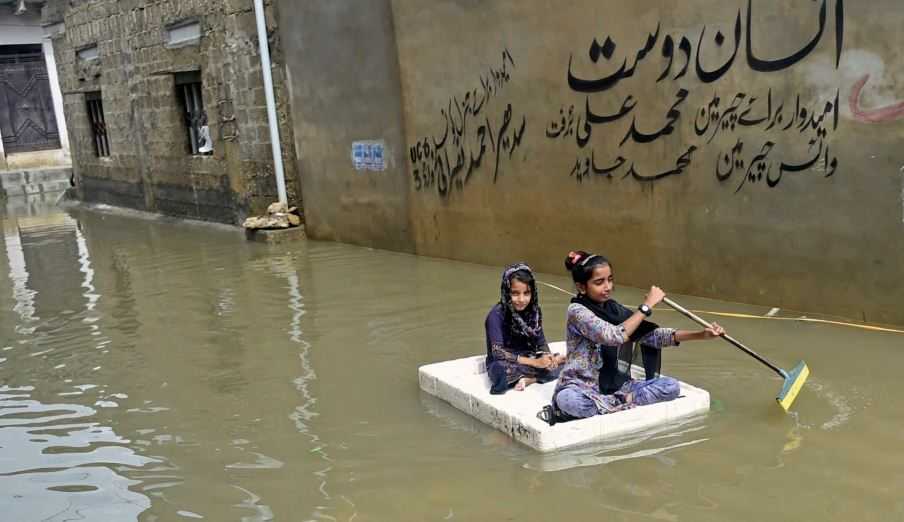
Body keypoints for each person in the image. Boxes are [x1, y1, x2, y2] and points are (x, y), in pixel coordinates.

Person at [552, 251, 725, 418]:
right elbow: (613, 336)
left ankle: (612, 402)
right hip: (582, 386)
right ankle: (621, 402)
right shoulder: (577, 311)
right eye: (599, 282)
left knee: (671, 386)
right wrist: (646, 306)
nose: (608, 287)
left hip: (619, 386)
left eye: (610, 280)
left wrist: (701, 334)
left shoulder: (614, 309)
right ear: (582, 287)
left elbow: (652, 336)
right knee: (568, 401)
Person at [485, 263, 566, 394]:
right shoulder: (496, 315)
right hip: (505, 361)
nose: (521, 299)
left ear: (532, 293)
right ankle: (533, 376)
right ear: (506, 291)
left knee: (567, 365)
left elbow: (540, 341)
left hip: (528, 356)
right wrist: (535, 363)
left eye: (526, 293)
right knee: (501, 373)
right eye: (515, 293)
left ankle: (530, 379)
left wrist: (548, 357)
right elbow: (498, 353)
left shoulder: (534, 312)